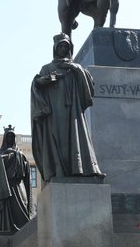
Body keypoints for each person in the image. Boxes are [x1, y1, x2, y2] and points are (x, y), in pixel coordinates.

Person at [31, 34, 103, 183]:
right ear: (55, 48)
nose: (63, 49)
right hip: (55, 112)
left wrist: (75, 68)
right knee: (57, 140)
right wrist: (43, 80)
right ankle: (59, 170)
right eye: (60, 46)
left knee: (76, 138)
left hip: (73, 112)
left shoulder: (75, 68)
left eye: (66, 46)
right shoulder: (47, 68)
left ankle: (80, 169)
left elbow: (89, 87)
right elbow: (36, 85)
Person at [0, 126, 33, 235]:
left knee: (23, 203)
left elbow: (25, 167)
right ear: (5, 138)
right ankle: (7, 227)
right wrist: (5, 157)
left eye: (12, 136)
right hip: (6, 184)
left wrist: (16, 156)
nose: (10, 139)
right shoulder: (0, 152)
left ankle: (24, 228)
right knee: (8, 207)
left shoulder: (19, 152)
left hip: (18, 184)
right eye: (8, 136)